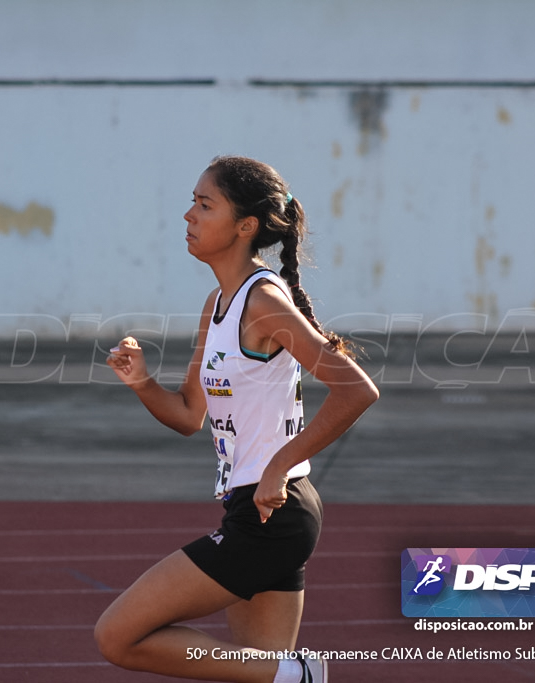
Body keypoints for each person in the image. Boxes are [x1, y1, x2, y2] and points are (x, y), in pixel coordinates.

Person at [94, 155, 379, 682]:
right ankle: (294, 676)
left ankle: (301, 674)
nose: (189, 215)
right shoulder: (218, 303)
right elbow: (187, 416)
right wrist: (141, 381)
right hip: (256, 509)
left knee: (117, 635)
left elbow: (356, 389)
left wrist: (279, 465)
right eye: (192, 202)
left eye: (205, 205)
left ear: (246, 226)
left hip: (275, 511)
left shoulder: (264, 301)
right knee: (259, 676)